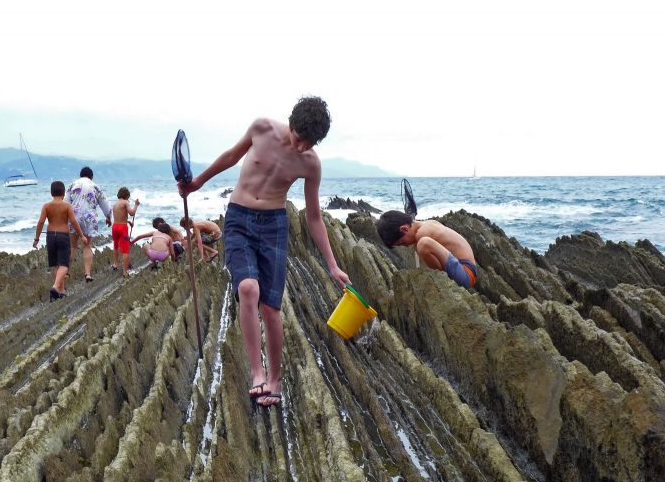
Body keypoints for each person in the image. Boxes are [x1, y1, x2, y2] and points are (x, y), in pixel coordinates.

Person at [178, 95, 350, 407]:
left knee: (271, 308)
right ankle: (257, 373)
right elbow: (231, 156)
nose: (301, 148)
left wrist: (333, 265)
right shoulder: (261, 128)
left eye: (309, 144)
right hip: (239, 219)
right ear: (291, 124)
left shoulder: (311, 164)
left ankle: (275, 379)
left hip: (274, 224)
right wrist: (197, 182)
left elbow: (314, 217)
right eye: (299, 139)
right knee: (247, 288)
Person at [375, 211, 478, 289]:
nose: (405, 246)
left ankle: (442, 282)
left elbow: (428, 255)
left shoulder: (423, 234)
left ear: (405, 229)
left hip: (466, 274)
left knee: (423, 244)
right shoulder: (426, 224)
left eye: (402, 242)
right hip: (465, 270)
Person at [33, 181, 84, 300]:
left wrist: (37, 238)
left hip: (50, 236)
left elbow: (40, 222)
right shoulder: (67, 206)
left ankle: (60, 291)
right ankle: (56, 287)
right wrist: (82, 236)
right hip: (63, 236)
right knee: (64, 265)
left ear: (51, 193)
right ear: (63, 192)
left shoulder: (46, 206)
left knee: (57, 264)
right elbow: (74, 222)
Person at [65, 166, 111, 282]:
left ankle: (67, 272)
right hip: (89, 219)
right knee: (87, 245)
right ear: (91, 176)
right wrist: (108, 217)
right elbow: (105, 204)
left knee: (73, 246)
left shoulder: (72, 185)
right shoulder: (95, 186)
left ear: (80, 175)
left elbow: (65, 202)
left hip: (74, 217)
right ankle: (88, 274)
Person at [111, 187, 140, 279]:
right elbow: (132, 213)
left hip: (115, 226)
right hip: (123, 228)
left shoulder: (115, 204)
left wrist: (128, 222)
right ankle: (125, 272)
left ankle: (115, 265)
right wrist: (136, 205)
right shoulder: (125, 202)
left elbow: (119, 216)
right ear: (126, 195)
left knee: (116, 246)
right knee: (125, 249)